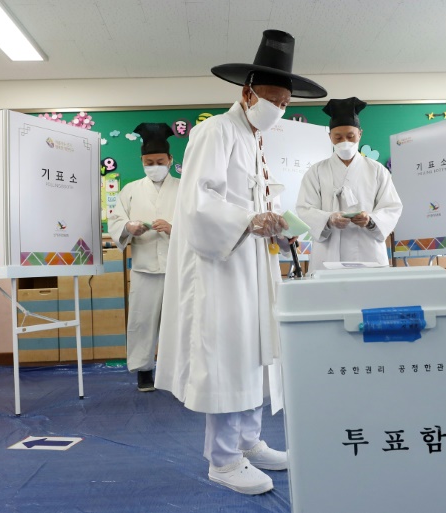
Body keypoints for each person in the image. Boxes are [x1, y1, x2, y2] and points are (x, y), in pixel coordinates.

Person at [154, 30, 327, 495]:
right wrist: (249, 220)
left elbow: (253, 201)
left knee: (254, 350)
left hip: (251, 263)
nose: (279, 109)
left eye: (285, 103)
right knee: (228, 354)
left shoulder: (253, 138)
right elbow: (198, 202)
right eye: (272, 99)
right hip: (221, 267)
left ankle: (249, 441)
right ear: (248, 93)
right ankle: (224, 459)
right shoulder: (216, 131)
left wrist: (276, 224)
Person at [107, 123, 179, 392]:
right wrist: (129, 227)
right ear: (142, 162)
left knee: (178, 322)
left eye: (160, 162)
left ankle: (177, 372)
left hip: (177, 268)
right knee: (142, 321)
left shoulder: (185, 188)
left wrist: (173, 228)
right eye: (149, 163)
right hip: (144, 267)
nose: (154, 166)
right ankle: (144, 371)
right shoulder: (130, 190)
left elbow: (197, 223)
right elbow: (116, 221)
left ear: (170, 160)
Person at [296, 97, 402, 272]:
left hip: (368, 250)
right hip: (328, 251)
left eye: (350, 136)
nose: (344, 141)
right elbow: (304, 208)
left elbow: (392, 207)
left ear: (360, 134)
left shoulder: (377, 170)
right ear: (330, 137)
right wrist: (328, 219)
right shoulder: (316, 171)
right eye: (338, 137)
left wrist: (371, 220)